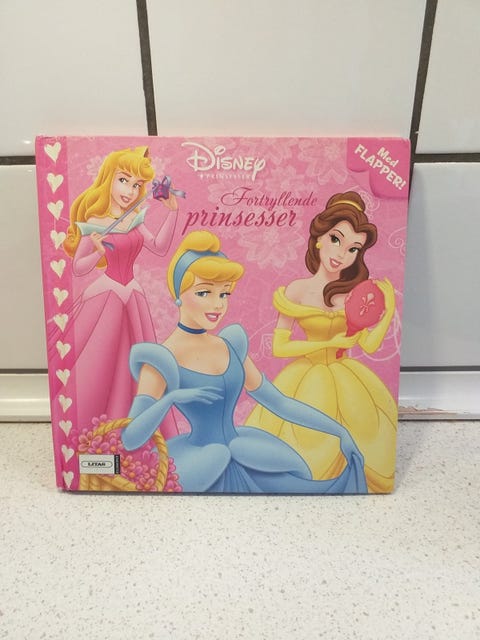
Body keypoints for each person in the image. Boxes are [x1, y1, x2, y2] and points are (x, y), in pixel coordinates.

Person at [117, 230, 367, 494]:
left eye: (224, 294)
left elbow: (279, 403)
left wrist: (339, 431)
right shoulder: (161, 360)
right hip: (204, 466)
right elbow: (131, 438)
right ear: (178, 294)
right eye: (204, 293)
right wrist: (171, 397)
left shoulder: (230, 346)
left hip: (247, 456)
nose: (217, 305)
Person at [246, 191, 397, 493]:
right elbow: (279, 348)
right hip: (305, 377)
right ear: (319, 239)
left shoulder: (353, 294)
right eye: (336, 239)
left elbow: (368, 345)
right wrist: (325, 345)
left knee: (365, 429)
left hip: (348, 378)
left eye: (353, 249)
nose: (341, 254)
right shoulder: (297, 291)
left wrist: (388, 311)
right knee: (301, 434)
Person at [50, 146, 179, 437]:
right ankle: (93, 433)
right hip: (106, 296)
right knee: (101, 364)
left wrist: (172, 212)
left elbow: (159, 248)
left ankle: (138, 432)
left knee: (139, 369)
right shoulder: (95, 223)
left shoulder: (134, 220)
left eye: (136, 185)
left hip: (132, 295)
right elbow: (78, 268)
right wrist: (97, 250)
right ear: (109, 178)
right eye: (123, 180)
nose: (130, 191)